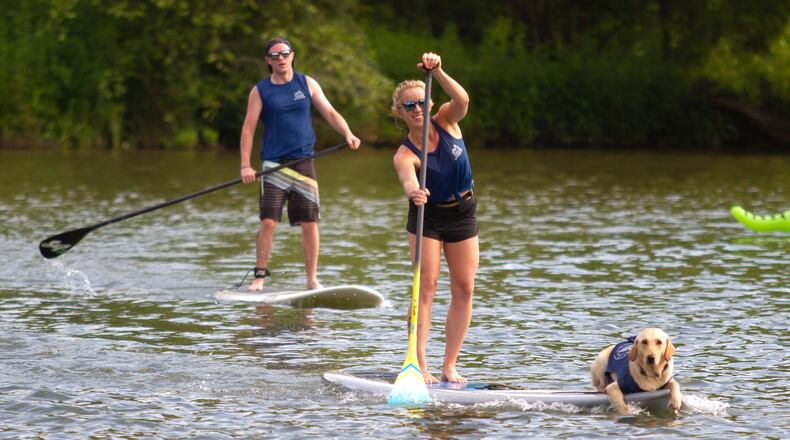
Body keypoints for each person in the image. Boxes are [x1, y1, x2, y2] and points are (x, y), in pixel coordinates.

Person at [240, 37, 361, 291]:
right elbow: (248, 130)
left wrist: (347, 133)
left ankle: (312, 279)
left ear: (292, 56)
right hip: (273, 164)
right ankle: (260, 276)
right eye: (275, 56)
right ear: (268, 61)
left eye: (284, 53)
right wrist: (245, 166)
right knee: (269, 222)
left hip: (304, 163)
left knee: (310, 222)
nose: (280, 58)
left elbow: (329, 112)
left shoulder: (307, 83)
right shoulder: (260, 90)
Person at [391, 52, 478, 383]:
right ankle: (418, 363)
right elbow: (407, 179)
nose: (416, 110)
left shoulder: (446, 119)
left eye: (420, 103)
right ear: (400, 113)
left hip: (462, 211)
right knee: (425, 287)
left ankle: (449, 364)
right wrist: (414, 191)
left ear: (429, 104)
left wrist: (438, 70)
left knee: (465, 288)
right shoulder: (404, 154)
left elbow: (462, 98)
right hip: (427, 216)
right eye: (408, 106)